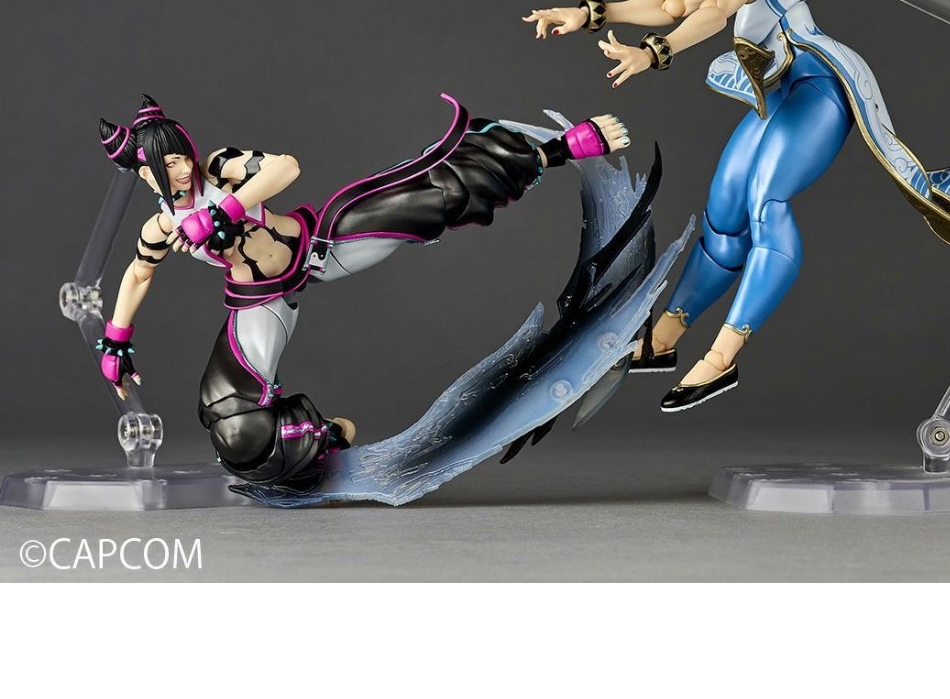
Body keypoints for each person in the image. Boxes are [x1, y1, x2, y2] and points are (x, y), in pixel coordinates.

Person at [524, 0, 950, 412]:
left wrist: (652, 53)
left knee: (765, 202)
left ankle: (723, 355)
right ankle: (664, 337)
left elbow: (715, 12)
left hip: (819, 87)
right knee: (724, 210)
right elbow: (672, 6)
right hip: (777, 90)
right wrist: (591, 13)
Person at [97, 94, 630, 489]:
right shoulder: (160, 228)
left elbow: (285, 167)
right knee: (230, 419)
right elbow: (138, 274)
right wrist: (116, 341)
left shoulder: (218, 166)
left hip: (317, 248)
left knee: (429, 199)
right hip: (261, 300)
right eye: (166, 164)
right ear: (146, 174)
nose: (181, 168)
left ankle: (555, 150)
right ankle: (322, 439)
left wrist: (225, 209)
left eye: (180, 155)